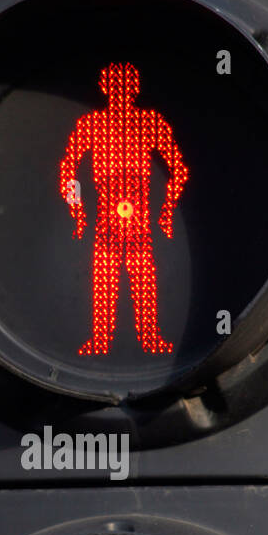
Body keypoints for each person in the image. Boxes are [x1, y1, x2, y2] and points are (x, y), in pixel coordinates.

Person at [59, 61, 189, 356]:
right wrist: (78, 211)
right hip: (103, 210)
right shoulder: (89, 125)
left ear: (135, 88)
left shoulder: (150, 122)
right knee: (104, 276)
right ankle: (101, 339)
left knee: (142, 274)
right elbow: (68, 169)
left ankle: (149, 337)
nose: (120, 92)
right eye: (114, 85)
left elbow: (178, 170)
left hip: (140, 209)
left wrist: (165, 211)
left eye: (126, 85)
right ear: (104, 88)